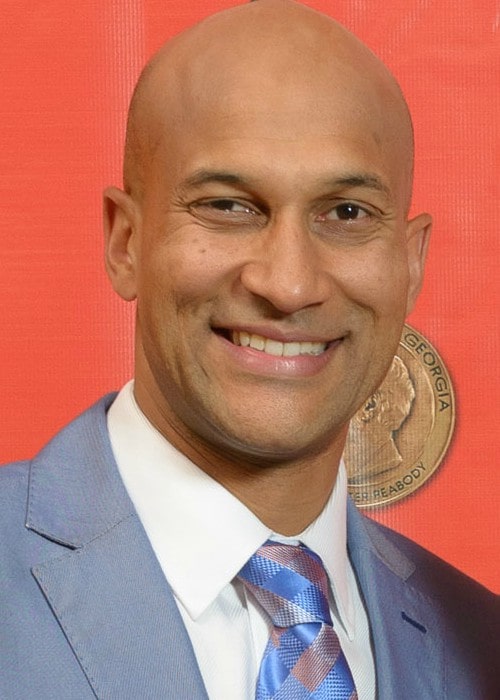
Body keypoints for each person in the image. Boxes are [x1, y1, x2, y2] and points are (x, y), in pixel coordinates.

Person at [1, 1, 498, 698]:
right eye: (229, 206)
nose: (289, 283)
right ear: (125, 242)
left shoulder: (481, 642)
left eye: (346, 214)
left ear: (410, 264)